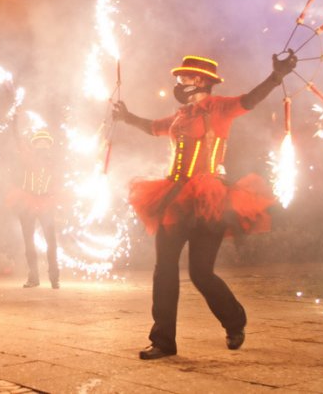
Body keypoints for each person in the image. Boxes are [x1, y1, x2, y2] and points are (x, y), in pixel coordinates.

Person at [112, 51, 297, 359]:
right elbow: (153, 127)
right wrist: (127, 117)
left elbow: (250, 100)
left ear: (198, 80)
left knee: (201, 272)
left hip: (209, 198)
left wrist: (276, 77)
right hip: (174, 198)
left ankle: (235, 320)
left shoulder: (219, 107)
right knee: (164, 269)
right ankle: (163, 342)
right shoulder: (181, 115)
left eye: (182, 78)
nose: (178, 82)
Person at [6, 125, 60, 289]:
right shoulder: (28, 157)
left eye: (45, 142)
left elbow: (59, 183)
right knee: (29, 241)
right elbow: (19, 142)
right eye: (39, 142)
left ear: (49, 145)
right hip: (28, 201)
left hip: (46, 202)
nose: (42, 144)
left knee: (51, 241)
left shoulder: (54, 162)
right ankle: (34, 277)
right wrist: (14, 122)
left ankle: (54, 278)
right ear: (35, 144)